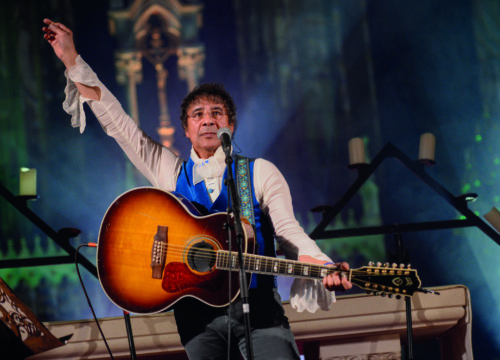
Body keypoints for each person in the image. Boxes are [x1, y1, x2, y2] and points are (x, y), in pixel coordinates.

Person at [43, 18, 352, 360]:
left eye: (217, 113)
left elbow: (288, 230)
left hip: (261, 314)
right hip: (198, 321)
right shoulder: (170, 172)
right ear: (186, 130)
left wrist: (319, 263)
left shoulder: (259, 172)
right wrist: (72, 61)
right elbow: (121, 127)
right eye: (198, 114)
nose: (208, 120)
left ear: (230, 125)